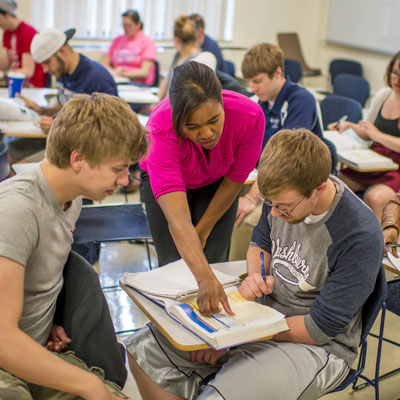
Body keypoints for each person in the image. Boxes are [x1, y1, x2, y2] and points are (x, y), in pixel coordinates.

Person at [126, 129, 384, 400]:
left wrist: (236, 339)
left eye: (283, 207)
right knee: (142, 350)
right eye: (269, 203)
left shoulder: (359, 234)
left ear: (318, 188)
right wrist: (257, 275)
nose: (273, 213)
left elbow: (317, 329)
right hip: (260, 321)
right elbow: (260, 243)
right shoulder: (283, 193)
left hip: (318, 347)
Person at [0, 93, 148, 399]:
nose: (125, 180)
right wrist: (89, 385)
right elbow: (3, 339)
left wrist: (47, 319)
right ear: (78, 159)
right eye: (117, 168)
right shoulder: (17, 211)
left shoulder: (72, 198)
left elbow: (42, 273)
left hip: (29, 348)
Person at [140, 61, 264, 315]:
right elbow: (177, 218)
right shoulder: (160, 128)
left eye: (213, 120)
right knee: (174, 268)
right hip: (170, 187)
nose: (207, 133)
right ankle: (177, 339)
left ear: (222, 102)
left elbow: (234, 180)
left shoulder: (249, 116)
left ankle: (214, 341)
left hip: (218, 183)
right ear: (177, 118)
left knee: (214, 264)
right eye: (192, 127)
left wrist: (204, 230)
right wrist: (202, 276)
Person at [229, 42, 331, 261]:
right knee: (222, 202)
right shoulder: (262, 102)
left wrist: (251, 196)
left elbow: (282, 162)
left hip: (297, 183)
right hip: (269, 179)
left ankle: (240, 280)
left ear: (277, 73)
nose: (253, 88)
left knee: (246, 220)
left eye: (257, 81)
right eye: (249, 82)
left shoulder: (301, 100)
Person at [9, 27, 118, 164]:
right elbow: (63, 107)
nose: (45, 70)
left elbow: (109, 130)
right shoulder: (62, 71)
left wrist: (59, 128)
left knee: (20, 168)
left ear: (62, 51)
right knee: (7, 154)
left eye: (47, 63)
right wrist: (40, 109)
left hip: (86, 149)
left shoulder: (97, 78)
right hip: (62, 138)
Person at [329, 51, 400, 221]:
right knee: (332, 184)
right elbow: (369, 133)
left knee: (374, 197)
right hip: (373, 162)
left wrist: (377, 135)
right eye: (395, 73)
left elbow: (376, 135)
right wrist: (350, 126)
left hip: (396, 167)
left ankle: (379, 247)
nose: (397, 80)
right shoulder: (384, 95)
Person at [155, 15, 217, 103]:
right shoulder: (178, 55)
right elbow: (166, 80)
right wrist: (154, 105)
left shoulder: (197, 60)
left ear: (176, 39)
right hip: (166, 106)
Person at [101, 9, 157, 86]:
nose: (125, 29)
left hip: (139, 84)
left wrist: (123, 74)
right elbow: (104, 63)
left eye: (129, 26)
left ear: (138, 24)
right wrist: (113, 72)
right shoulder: (117, 40)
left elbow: (144, 72)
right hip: (118, 80)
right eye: (123, 25)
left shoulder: (147, 42)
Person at [0, 0, 45, 87]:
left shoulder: (27, 33)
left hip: (31, 85)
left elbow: (28, 71)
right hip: (14, 81)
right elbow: (6, 63)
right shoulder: (7, 33)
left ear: (8, 15)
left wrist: (3, 75)